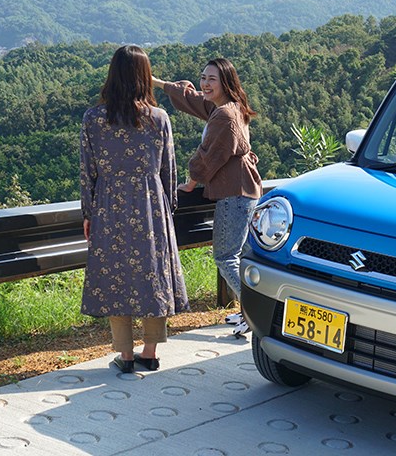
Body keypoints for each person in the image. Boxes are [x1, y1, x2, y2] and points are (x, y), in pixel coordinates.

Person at [80, 45, 189, 373]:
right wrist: (168, 208)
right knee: (152, 274)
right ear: (145, 76)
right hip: (150, 205)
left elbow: (88, 171)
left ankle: (125, 356)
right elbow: (168, 170)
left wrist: (88, 213)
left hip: (109, 205)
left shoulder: (94, 119)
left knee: (116, 275)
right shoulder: (159, 118)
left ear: (112, 75)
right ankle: (150, 352)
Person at [153, 58, 261, 337]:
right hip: (241, 190)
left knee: (226, 257)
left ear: (226, 82)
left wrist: (190, 183)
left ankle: (256, 313)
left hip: (235, 193)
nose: (205, 83)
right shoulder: (225, 107)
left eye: (212, 79)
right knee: (237, 255)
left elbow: (208, 156)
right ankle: (248, 312)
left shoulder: (224, 115)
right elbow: (192, 99)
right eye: (203, 77)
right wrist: (158, 83)